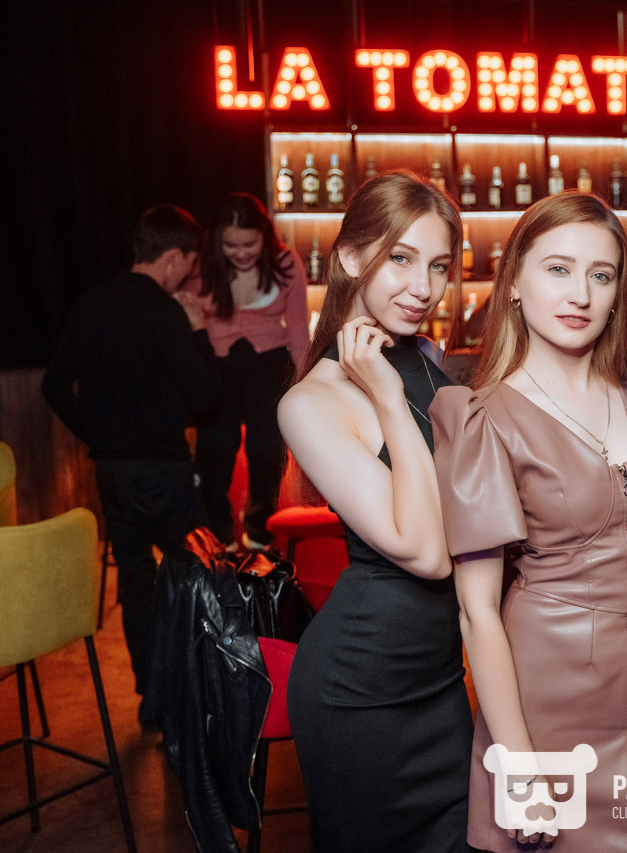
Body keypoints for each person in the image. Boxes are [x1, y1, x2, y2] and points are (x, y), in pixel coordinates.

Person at [430, 192, 627, 852]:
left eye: (600, 274)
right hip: (547, 703)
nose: (580, 294)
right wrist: (520, 767)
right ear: (514, 282)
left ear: (618, 293)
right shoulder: (484, 419)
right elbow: (478, 611)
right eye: (558, 269)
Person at [277, 172, 472, 851]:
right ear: (351, 257)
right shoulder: (311, 401)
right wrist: (387, 399)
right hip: (360, 694)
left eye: (439, 265)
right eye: (401, 258)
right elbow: (425, 551)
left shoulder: (425, 360)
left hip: (441, 680)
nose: (423, 286)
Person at [42, 205, 218, 705]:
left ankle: (153, 700)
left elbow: (53, 386)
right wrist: (198, 329)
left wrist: (97, 433)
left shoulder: (90, 304)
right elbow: (205, 398)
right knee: (200, 574)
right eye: (191, 263)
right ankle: (201, 697)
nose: (191, 274)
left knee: (136, 583)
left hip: (113, 471)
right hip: (163, 470)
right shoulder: (165, 311)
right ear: (175, 257)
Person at [191, 193, 308, 551]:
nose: (241, 253)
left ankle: (259, 532)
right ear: (217, 240)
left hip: (269, 363)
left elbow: (298, 330)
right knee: (216, 447)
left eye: (249, 244)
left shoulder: (286, 264)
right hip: (218, 365)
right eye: (231, 245)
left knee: (265, 449)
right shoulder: (200, 267)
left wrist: (307, 381)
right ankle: (219, 534)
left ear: (265, 236)